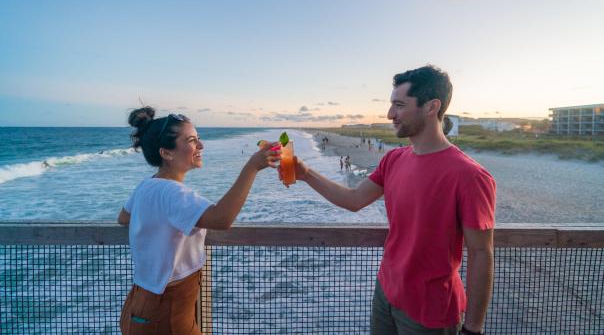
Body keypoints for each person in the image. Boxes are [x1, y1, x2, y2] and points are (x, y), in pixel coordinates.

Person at [283, 66, 495, 334]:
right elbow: (354, 199)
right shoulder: (394, 160)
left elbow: (481, 252)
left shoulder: (470, 175)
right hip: (386, 293)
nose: (389, 114)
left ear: (432, 107)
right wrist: (305, 173)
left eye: (399, 105)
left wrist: (474, 328)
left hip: (431, 310)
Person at [118, 107, 280, 334]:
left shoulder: (147, 186)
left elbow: (123, 217)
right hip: (166, 315)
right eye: (192, 140)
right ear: (166, 153)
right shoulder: (172, 193)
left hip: (140, 307)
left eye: (199, 139)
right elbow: (222, 218)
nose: (201, 146)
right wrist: (252, 167)